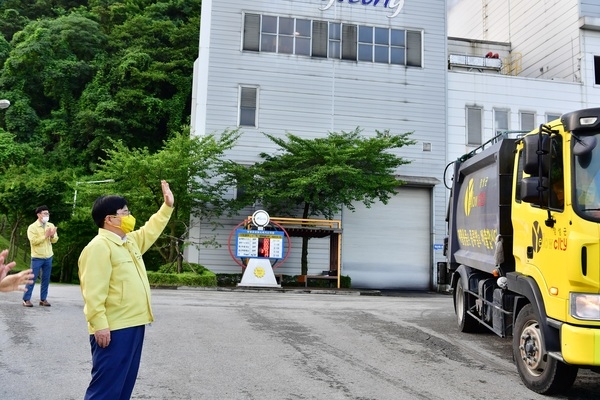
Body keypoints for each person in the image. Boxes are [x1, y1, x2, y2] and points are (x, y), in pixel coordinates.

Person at [78, 180, 174, 400]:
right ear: (109, 219)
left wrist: (167, 206)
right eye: (125, 212)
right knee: (105, 390)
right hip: (113, 328)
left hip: (134, 323)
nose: (129, 216)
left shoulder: (128, 241)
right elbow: (92, 292)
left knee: (123, 387)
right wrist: (99, 324)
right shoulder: (98, 247)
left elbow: (151, 229)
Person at [23, 205, 58, 307]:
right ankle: (26, 299)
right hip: (37, 257)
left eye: (48, 213)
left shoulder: (50, 225)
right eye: (45, 213)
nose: (47, 215)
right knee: (32, 279)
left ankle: (43, 299)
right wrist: (45, 236)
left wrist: (52, 236)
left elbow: (55, 240)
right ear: (38, 215)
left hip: (48, 256)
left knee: (46, 279)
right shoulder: (32, 227)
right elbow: (33, 241)